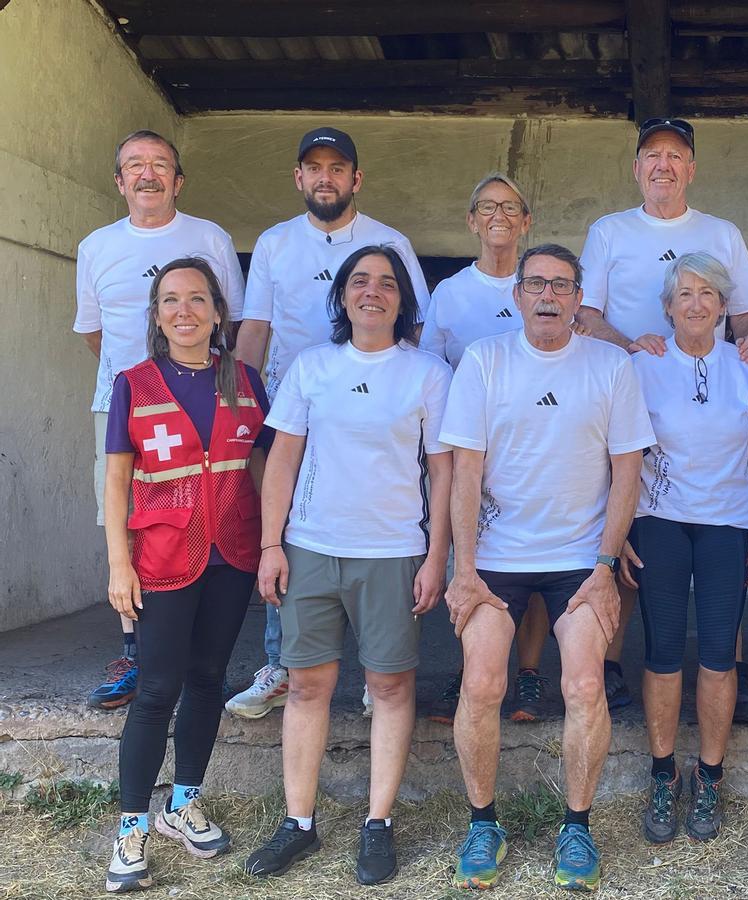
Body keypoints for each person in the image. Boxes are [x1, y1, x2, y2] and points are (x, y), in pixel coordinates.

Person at [441, 244, 654, 891]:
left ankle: (577, 828)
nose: (548, 295)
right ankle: (484, 823)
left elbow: (627, 472)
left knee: (585, 686)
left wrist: (603, 566)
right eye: (536, 283)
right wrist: (464, 568)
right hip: (496, 559)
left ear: (577, 297)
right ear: (518, 295)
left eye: (561, 285)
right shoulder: (485, 360)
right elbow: (465, 471)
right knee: (480, 684)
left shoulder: (611, 366)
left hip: (578, 560)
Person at [244, 246, 451, 886]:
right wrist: (271, 544)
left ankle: (377, 823)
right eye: (359, 281)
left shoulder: (427, 374)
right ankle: (298, 823)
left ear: (403, 301)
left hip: (392, 552)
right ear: (341, 297)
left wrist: (436, 556)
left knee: (389, 687)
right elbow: (281, 460)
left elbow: (444, 472)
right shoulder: (313, 367)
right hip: (311, 548)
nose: (373, 292)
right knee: (307, 686)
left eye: (387, 284)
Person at [227, 127, 430, 720]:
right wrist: (242, 403)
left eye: (337, 167)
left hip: (375, 411)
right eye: (314, 167)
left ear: (356, 179)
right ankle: (282, 664)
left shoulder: (389, 241)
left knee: (378, 526)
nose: (325, 177)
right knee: (286, 527)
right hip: (295, 407)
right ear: (298, 177)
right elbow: (256, 328)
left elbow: (411, 322)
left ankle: (378, 673)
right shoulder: (273, 243)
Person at [577, 116, 748, 718]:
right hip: (630, 386)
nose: (663, 164)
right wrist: (633, 345)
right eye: (652, 155)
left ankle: (728, 672)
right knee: (638, 549)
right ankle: (610, 664)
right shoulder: (608, 231)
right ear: (637, 168)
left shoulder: (722, 232)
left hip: (703, 386)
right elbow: (586, 315)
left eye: (675, 156)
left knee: (717, 560)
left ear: (691, 169)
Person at [103, 258, 266, 893]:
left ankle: (183, 804)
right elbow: (117, 480)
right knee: (155, 690)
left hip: (231, 554)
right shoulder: (133, 383)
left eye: (198, 299)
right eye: (171, 300)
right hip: (163, 558)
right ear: (156, 314)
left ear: (219, 313)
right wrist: (119, 564)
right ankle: (130, 828)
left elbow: (260, 467)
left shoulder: (246, 381)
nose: (185, 311)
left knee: (207, 681)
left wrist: (274, 544)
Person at [74, 130, 244, 711]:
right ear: (119, 180)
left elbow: (232, 321)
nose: (148, 175)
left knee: (208, 509)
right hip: (124, 402)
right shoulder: (95, 245)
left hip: (202, 399)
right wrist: (142, 390)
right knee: (125, 516)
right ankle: (138, 652)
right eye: (134, 166)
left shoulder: (210, 238)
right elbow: (95, 333)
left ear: (178, 179)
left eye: (160, 165)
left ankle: (196, 654)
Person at [622, 253, 748, 844]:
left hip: (727, 526)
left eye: (707, 293)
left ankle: (709, 774)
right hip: (659, 522)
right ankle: (664, 772)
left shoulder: (746, 367)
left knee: (718, 653)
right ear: (668, 306)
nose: (695, 303)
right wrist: (620, 536)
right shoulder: (641, 364)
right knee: (663, 652)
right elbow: (623, 457)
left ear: (722, 306)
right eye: (684, 294)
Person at [418, 173, 553, 725]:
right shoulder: (450, 291)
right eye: (487, 207)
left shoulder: (543, 283)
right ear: (472, 221)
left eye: (511, 207)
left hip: (539, 445)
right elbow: (430, 366)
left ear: (526, 222)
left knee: (542, 556)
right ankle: (469, 668)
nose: (499, 216)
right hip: (468, 451)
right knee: (468, 558)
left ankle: (528, 674)